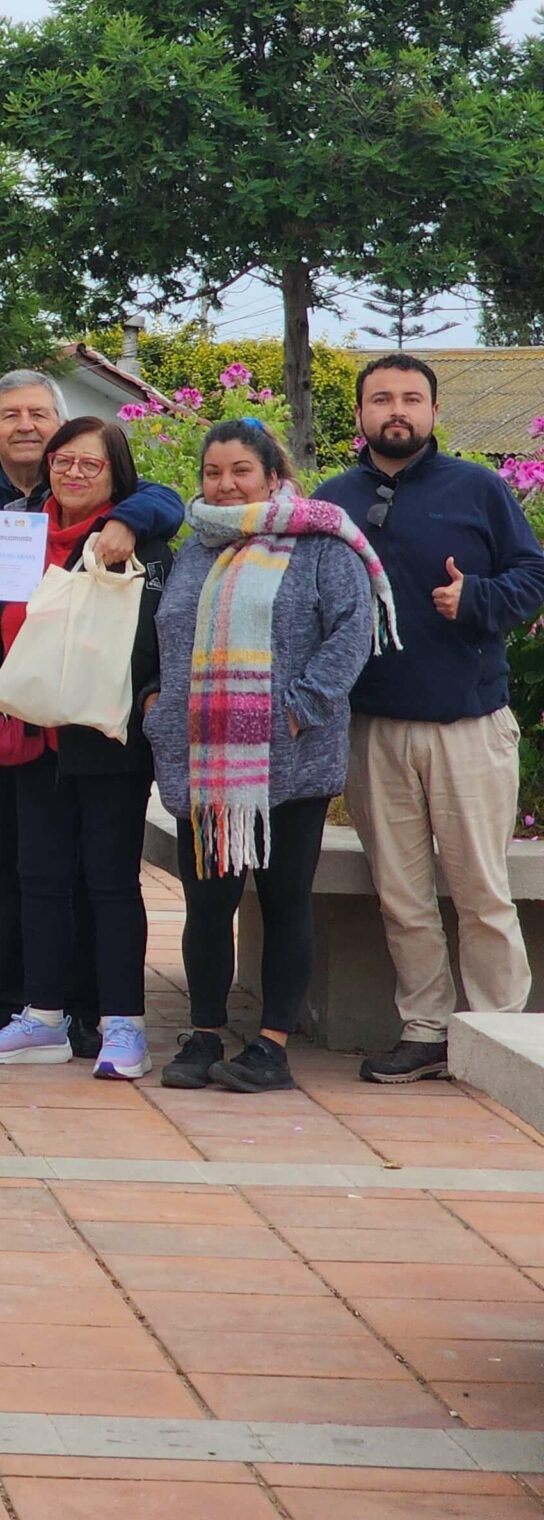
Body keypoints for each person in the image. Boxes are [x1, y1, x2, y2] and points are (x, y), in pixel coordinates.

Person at [0, 370, 185, 1044]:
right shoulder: (7, 530)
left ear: (114, 474)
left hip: (107, 741)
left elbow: (156, 637)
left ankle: (116, 1019)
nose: (70, 471)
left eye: (87, 463)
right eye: (63, 462)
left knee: (108, 883)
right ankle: (41, 1015)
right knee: (36, 878)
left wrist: (126, 518)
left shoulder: (138, 541)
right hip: (27, 735)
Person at [316, 352, 544, 1084]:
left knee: (480, 889)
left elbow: (533, 575)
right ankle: (425, 1028)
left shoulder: (479, 490)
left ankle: (499, 1033)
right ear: (359, 414)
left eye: (412, 398)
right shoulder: (331, 501)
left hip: (468, 725)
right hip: (373, 727)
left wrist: (475, 600)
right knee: (403, 895)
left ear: (434, 412)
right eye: (381, 398)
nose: (397, 410)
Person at [147, 420, 391, 1094]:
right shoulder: (193, 548)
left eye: (240, 472)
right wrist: (156, 710)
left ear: (271, 475)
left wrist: (299, 707)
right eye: (213, 472)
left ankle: (272, 1046)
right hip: (204, 760)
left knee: (285, 902)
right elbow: (162, 636)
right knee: (207, 905)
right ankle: (203, 1034)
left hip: (292, 759)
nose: (225, 485)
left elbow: (352, 629)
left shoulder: (321, 543)